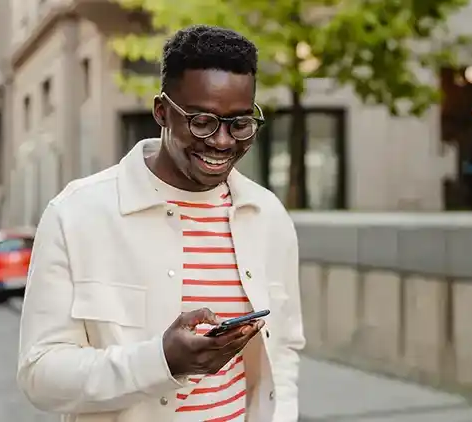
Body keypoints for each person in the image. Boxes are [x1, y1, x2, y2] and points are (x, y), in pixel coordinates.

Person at [17, 25, 305, 422]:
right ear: (162, 112)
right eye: (202, 122)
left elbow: (284, 348)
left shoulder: (268, 215)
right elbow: (40, 375)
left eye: (240, 123)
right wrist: (161, 361)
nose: (222, 142)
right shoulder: (75, 215)